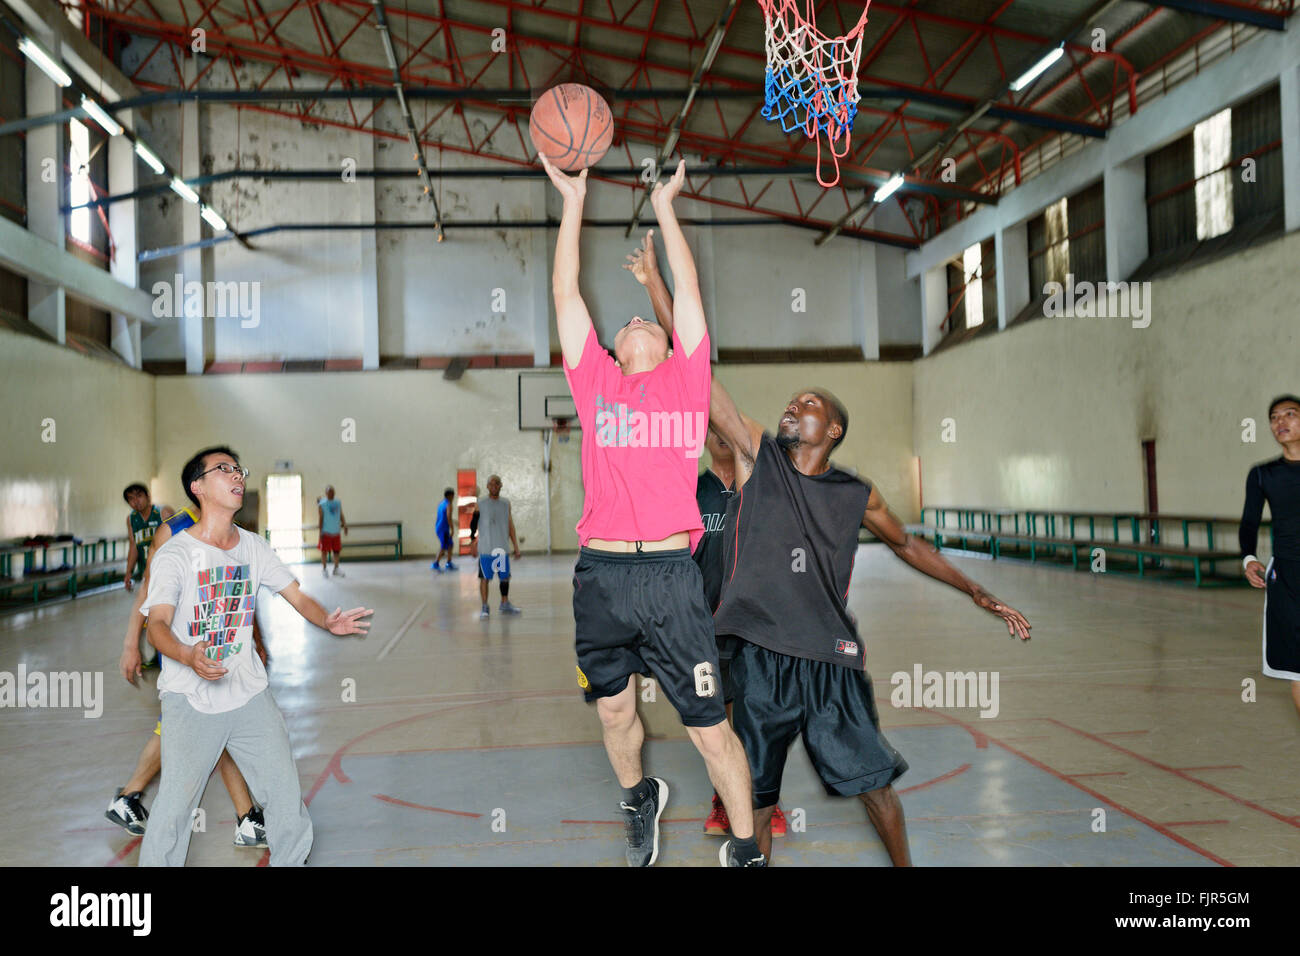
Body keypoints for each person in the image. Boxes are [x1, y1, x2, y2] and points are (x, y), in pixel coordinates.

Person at [707, 379, 1032, 864]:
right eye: (791, 401)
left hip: (829, 665)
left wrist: (974, 589)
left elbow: (905, 544)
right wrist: (673, 335)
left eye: (809, 403)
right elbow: (712, 394)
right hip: (761, 658)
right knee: (756, 802)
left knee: (876, 789)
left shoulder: (855, 493)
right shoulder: (762, 460)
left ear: (833, 429)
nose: (793, 405)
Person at [543, 152, 764, 867]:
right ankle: (640, 797)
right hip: (600, 577)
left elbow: (690, 290)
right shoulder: (596, 384)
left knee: (708, 727)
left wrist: (666, 204)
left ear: (670, 348)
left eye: (652, 318)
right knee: (613, 710)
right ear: (613, 348)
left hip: (671, 577)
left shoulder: (686, 382)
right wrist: (573, 201)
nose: (639, 316)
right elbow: (565, 291)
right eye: (629, 318)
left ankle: (746, 847)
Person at [625, 229, 788, 841]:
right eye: (711, 423)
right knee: (714, 721)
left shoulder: (751, 468)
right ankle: (731, 804)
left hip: (754, 620)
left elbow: (696, 362)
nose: (719, 425)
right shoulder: (689, 487)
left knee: (759, 717)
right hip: (704, 619)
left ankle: (762, 804)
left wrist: (656, 286)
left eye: (725, 420)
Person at [138, 446, 372, 866]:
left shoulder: (253, 547)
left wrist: (327, 621)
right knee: (174, 810)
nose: (237, 476)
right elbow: (156, 625)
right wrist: (187, 655)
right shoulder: (175, 555)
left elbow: (297, 596)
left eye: (238, 469)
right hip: (190, 699)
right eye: (223, 469)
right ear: (198, 487)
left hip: (248, 696)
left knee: (284, 799)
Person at [110, 501, 272, 848]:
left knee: (221, 726)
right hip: (186, 650)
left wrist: (255, 639)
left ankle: (247, 818)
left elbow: (238, 590)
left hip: (217, 645)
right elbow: (148, 591)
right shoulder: (174, 529)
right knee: (191, 728)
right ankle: (130, 796)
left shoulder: (229, 531)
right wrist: (130, 644)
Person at [1241, 394, 1300, 720]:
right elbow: (1249, 521)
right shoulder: (1263, 474)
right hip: (1287, 577)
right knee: (1297, 668)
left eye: (1290, 414)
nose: (1281, 422)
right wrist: (1248, 558)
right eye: (1275, 417)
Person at [470, 475, 521, 619]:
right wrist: (472, 542)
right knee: (484, 578)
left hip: (502, 548)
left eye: (497, 483)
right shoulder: (480, 503)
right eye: (491, 484)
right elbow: (473, 525)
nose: (494, 486)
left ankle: (504, 604)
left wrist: (516, 546)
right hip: (486, 548)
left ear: (501, 485)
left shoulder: (506, 504)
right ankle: (485, 607)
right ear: (487, 486)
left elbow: (510, 525)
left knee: (505, 578)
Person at [123, 483, 172, 591]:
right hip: (146, 571)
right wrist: (128, 572)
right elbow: (133, 545)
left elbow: (179, 542)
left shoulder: (163, 512)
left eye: (139, 496)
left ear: (148, 496)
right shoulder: (131, 519)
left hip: (168, 569)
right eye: (131, 498)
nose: (136, 501)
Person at [317, 486, 348, 577]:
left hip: (336, 532)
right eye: (330, 492)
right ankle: (324, 569)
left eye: (333, 491)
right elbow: (321, 518)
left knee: (336, 551)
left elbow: (341, 514)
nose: (332, 493)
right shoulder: (322, 504)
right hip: (326, 532)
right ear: (326, 493)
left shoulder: (338, 502)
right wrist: (320, 532)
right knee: (324, 551)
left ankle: (336, 569)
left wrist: (345, 524)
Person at [433, 488, 458, 572]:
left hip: (440, 527)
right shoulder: (449, 505)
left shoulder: (442, 504)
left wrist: (453, 522)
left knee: (450, 545)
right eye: (453, 495)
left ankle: (449, 563)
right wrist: (452, 529)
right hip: (443, 529)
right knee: (444, 547)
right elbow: (448, 517)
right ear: (450, 496)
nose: (454, 497)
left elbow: (443, 517)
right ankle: (435, 564)